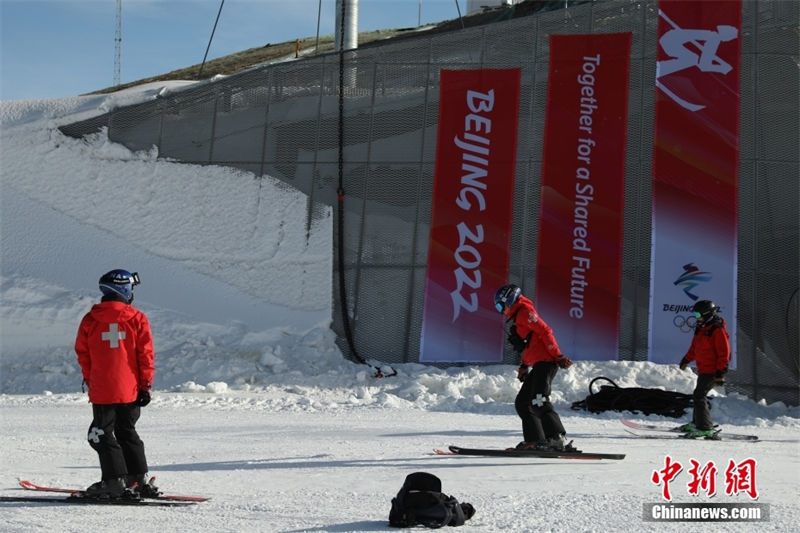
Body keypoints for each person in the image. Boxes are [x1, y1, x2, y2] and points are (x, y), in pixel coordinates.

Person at [75, 269, 159, 497]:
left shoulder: (90, 320)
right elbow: (146, 355)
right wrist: (146, 385)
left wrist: (91, 380)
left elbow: (83, 354)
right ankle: (137, 479)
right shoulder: (137, 318)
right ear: (124, 289)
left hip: (103, 391)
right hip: (131, 390)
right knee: (126, 431)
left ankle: (114, 482)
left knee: (100, 434)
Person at [494, 284, 576, 451]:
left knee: (539, 400)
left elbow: (546, 331)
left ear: (508, 300)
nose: (501, 311)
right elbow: (531, 346)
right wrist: (524, 366)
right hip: (539, 364)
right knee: (523, 402)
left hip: (547, 362)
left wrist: (558, 355)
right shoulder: (518, 319)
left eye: (500, 306)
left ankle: (557, 438)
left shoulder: (525, 313)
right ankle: (535, 440)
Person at [678, 299, 731, 439]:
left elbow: (724, 353)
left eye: (698, 314)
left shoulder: (717, 330)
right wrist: (686, 359)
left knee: (699, 396)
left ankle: (705, 428)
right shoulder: (702, 328)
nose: (696, 317)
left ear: (707, 314)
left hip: (713, 371)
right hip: (704, 369)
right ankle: (697, 423)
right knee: (698, 395)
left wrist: (720, 373)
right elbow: (695, 347)